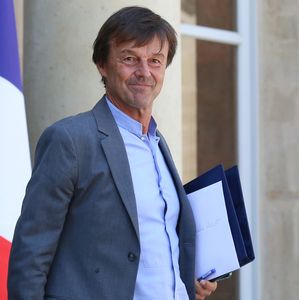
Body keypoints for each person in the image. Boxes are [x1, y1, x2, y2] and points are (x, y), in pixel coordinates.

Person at [8, 6, 217, 300]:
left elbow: (153, 245)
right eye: (130, 59)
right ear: (102, 65)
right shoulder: (70, 140)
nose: (144, 72)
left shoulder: (158, 144)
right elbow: (30, 256)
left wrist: (185, 279)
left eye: (155, 61)